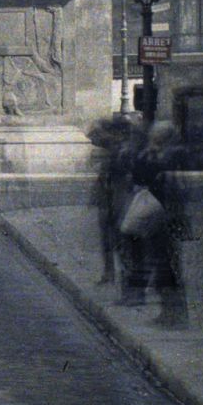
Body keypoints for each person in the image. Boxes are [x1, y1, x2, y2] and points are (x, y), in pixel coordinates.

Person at [131, 121, 190, 326]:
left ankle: (175, 314)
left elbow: (142, 176)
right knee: (164, 266)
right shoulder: (164, 154)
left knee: (168, 267)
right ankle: (169, 312)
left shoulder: (170, 155)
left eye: (156, 136)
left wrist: (150, 155)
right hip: (162, 216)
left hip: (166, 216)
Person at [86, 113, 131, 285]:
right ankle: (110, 273)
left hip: (118, 199)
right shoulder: (113, 149)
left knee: (119, 239)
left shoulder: (124, 151)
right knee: (107, 238)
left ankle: (121, 274)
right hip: (107, 199)